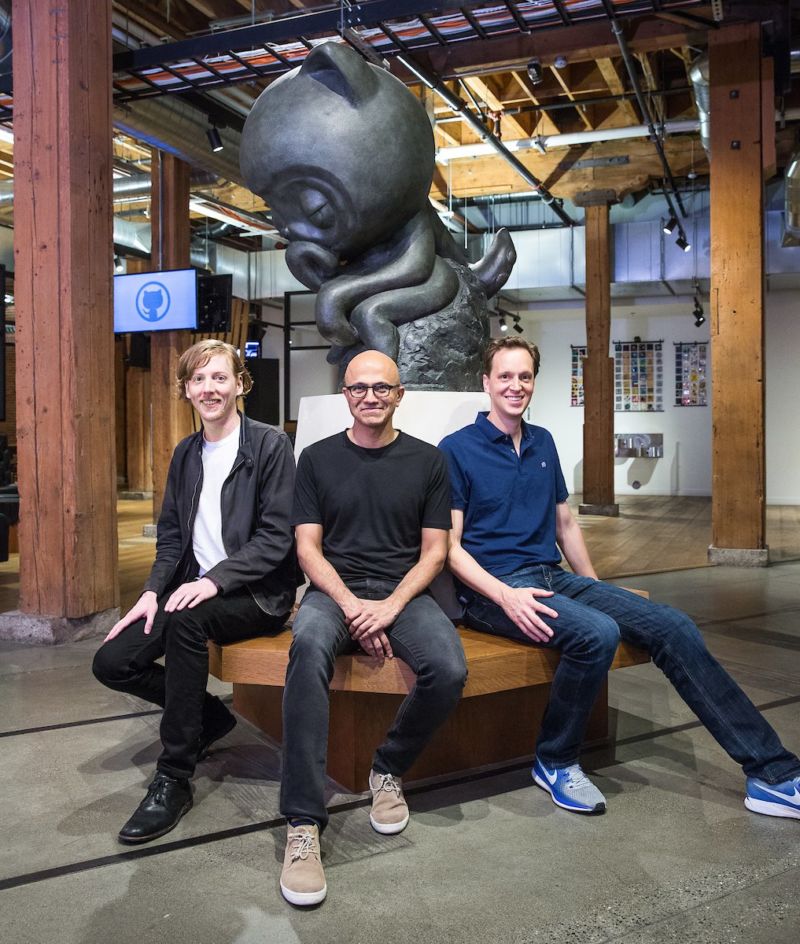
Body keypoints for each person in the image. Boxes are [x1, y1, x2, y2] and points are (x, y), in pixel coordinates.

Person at [439, 336, 800, 819]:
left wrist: (597, 586)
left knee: (673, 625)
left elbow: (564, 524)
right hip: (494, 588)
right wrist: (505, 596)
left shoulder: (543, 441)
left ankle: (771, 773)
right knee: (597, 633)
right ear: (486, 382)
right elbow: (449, 547)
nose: (515, 386)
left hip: (551, 575)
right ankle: (556, 759)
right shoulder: (456, 450)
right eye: (505, 376)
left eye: (524, 376)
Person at [279, 350, 467, 907]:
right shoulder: (314, 458)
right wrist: (353, 606)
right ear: (346, 395)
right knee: (308, 646)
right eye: (359, 388)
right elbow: (307, 548)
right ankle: (303, 823)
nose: (370, 396)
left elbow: (435, 552)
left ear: (399, 395)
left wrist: (388, 606)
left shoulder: (429, 462)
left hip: (402, 591)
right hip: (334, 590)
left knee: (449, 667)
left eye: (381, 388)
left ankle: (388, 766)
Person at [93, 340, 298, 843]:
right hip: (191, 587)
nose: (210, 388)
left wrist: (213, 582)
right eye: (199, 380)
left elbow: (276, 537)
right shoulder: (186, 452)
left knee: (187, 621)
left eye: (219, 378)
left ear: (239, 384)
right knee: (113, 662)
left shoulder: (270, 446)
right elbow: (170, 535)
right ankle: (207, 716)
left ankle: (174, 777)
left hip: (254, 593)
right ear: (186, 390)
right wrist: (151, 591)